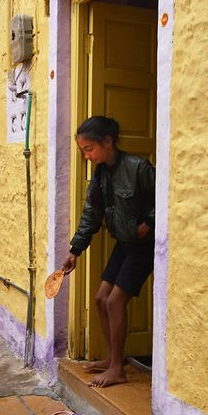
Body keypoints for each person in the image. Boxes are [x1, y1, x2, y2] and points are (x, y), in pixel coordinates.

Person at [61, 116, 155, 388]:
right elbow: (92, 213)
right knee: (101, 298)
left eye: (89, 149)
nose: (87, 155)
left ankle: (117, 369)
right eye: (83, 151)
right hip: (123, 244)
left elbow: (163, 198)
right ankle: (113, 357)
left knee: (115, 301)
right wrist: (75, 250)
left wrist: (147, 225)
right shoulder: (100, 174)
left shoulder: (138, 167)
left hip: (142, 246)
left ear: (108, 142)